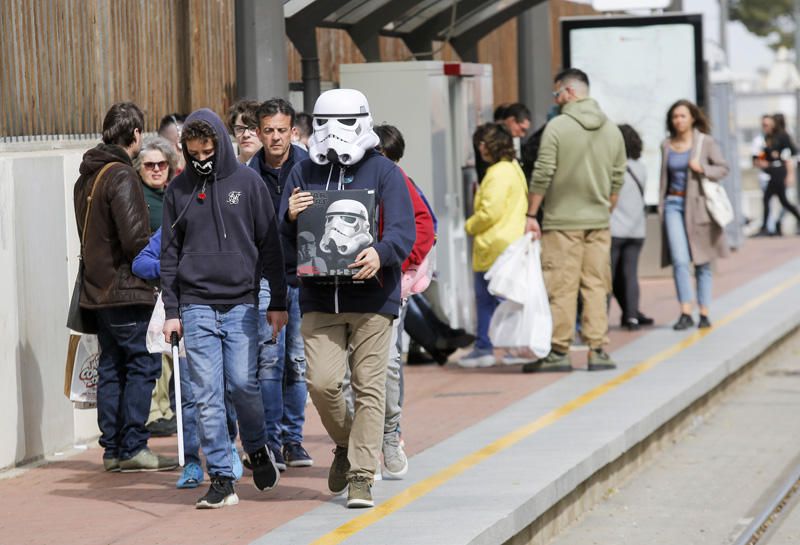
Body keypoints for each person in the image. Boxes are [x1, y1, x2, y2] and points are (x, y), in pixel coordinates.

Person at [280, 88, 415, 508]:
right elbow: (280, 240)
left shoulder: (384, 173)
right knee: (321, 384)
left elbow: (403, 231)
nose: (330, 133)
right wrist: (289, 216)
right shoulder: (303, 173)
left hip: (374, 301)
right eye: (323, 123)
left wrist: (381, 251)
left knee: (369, 387)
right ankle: (346, 442)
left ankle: (361, 475)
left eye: (341, 122)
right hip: (320, 298)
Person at [161, 108, 287, 509]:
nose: (201, 159)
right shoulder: (178, 190)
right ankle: (220, 477)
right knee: (207, 395)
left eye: (207, 150)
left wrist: (279, 302)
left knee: (243, 385)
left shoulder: (248, 183)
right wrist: (171, 311)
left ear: (219, 143)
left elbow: (270, 245)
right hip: (196, 303)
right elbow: (168, 253)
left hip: (241, 303)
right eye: (194, 152)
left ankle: (256, 446)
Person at [73, 102, 176, 473]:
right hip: (128, 289)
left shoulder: (87, 176)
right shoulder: (121, 175)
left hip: (97, 290)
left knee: (112, 368)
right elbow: (136, 242)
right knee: (142, 365)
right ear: (135, 135)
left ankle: (113, 449)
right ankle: (133, 445)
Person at [522, 68, 626, 373]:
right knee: (596, 285)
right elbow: (618, 178)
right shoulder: (612, 130)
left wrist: (531, 214)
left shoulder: (557, 127)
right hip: (598, 221)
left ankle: (559, 350)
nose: (556, 100)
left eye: (557, 94)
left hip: (561, 221)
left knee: (562, 286)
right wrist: (605, 211)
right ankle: (597, 350)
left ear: (569, 92)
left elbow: (543, 172)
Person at [346, 123, 435, 480]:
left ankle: (389, 434)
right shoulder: (335, 177)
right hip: (342, 288)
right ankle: (362, 443)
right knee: (349, 372)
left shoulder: (396, 178)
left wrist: (394, 258)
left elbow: (425, 225)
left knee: (387, 366)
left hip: (387, 288)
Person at [132, 228, 244, 489]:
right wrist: (172, 268)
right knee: (188, 395)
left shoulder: (226, 215)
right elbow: (140, 262)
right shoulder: (175, 223)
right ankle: (191, 461)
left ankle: (227, 448)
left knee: (226, 387)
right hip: (185, 316)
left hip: (225, 315)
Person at [249, 97, 314, 471]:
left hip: (304, 278)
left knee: (298, 362)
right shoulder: (247, 174)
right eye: (268, 131)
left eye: (281, 130)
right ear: (258, 133)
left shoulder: (309, 167)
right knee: (269, 363)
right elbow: (255, 233)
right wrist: (285, 215)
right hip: (265, 281)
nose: (275, 138)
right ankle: (272, 442)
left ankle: (294, 440)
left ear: (293, 131)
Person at [460, 123, 528, 368]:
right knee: (503, 299)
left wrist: (469, 225)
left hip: (494, 244)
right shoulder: (513, 168)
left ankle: (485, 348)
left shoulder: (497, 173)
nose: (479, 148)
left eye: (482, 143)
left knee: (489, 299)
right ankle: (505, 347)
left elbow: (490, 211)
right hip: (509, 242)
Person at [659, 99, 730, 330]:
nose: (678, 120)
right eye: (675, 117)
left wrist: (703, 169)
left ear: (692, 118)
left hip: (699, 207)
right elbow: (664, 179)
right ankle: (685, 311)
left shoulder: (705, 142)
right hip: (673, 204)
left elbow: (723, 168)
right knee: (680, 260)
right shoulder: (667, 145)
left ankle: (705, 311)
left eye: (682, 116)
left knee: (702, 261)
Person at [132, 135, 180, 437]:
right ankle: (155, 413)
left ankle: (164, 410)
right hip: (146, 287)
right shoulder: (140, 199)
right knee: (155, 357)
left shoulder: (170, 196)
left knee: (168, 356)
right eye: (149, 165)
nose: (156, 169)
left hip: (167, 290)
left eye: (162, 163)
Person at [610, 125, 654, 331]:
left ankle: (600, 318)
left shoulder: (613, 167)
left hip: (614, 229)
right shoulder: (641, 168)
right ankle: (631, 316)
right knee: (630, 274)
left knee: (606, 276)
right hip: (637, 231)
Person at [754, 113, 800, 236]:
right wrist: (760, 160)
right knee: (769, 199)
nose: (765, 127)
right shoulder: (767, 137)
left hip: (780, 171)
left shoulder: (783, 136)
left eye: (768, 125)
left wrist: (790, 174)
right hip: (771, 172)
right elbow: (763, 152)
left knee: (783, 201)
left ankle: (766, 228)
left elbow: (789, 156)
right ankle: (765, 228)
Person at [474, 102, 531, 183]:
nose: (522, 135)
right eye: (522, 129)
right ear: (512, 120)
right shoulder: (490, 136)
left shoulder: (512, 140)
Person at [227, 100, 262, 165]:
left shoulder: (278, 169)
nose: (246, 135)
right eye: (240, 129)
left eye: (253, 128)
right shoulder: (226, 170)